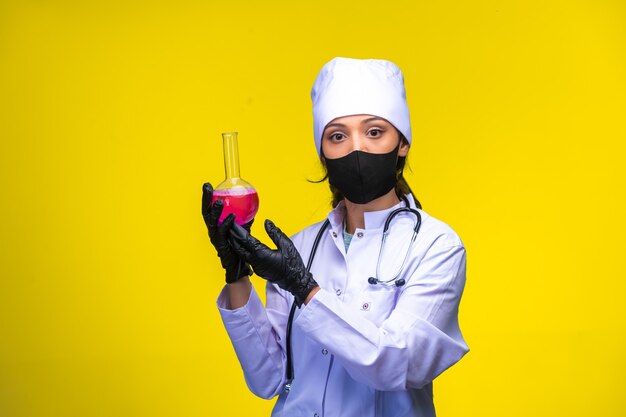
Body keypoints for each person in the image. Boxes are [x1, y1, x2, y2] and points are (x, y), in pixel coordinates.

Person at [201, 57, 469, 417]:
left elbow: (397, 363)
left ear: (402, 142)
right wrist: (236, 275)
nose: (356, 148)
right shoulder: (299, 248)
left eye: (375, 132)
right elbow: (267, 380)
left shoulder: (436, 246)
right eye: (337, 136)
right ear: (323, 153)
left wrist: (306, 289)